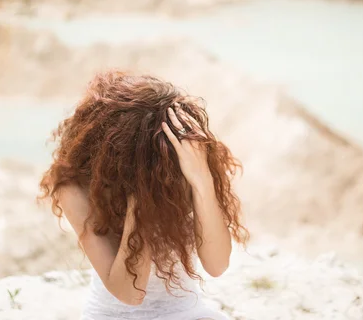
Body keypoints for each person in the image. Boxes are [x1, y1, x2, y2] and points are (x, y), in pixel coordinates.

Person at [39, 71, 248, 320]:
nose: (166, 164)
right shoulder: (73, 188)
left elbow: (217, 265)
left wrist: (202, 180)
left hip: (186, 313)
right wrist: (142, 200)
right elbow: (129, 293)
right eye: (158, 155)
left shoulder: (187, 168)